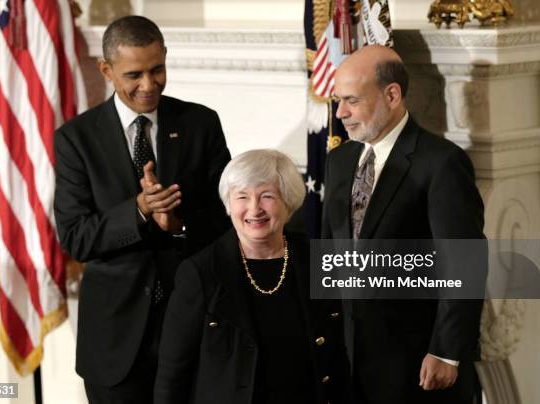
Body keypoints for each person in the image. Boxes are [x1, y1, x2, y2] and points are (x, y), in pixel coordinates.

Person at [53, 15, 231, 403]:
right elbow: (75, 237)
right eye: (134, 74)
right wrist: (138, 211)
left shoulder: (201, 123)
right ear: (106, 70)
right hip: (116, 344)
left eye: (158, 69)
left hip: (193, 330)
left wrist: (179, 224)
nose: (149, 85)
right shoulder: (75, 139)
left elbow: (226, 219)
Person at [322, 45, 485, 404]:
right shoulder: (339, 160)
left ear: (392, 95)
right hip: (347, 362)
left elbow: (465, 263)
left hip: (415, 365)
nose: (340, 113)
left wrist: (446, 351)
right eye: (338, 101)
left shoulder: (441, 163)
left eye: (351, 100)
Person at [154, 149, 351, 404]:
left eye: (267, 196)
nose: (254, 209)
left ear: (287, 200)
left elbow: (337, 356)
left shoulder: (317, 261)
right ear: (229, 204)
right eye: (242, 197)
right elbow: (173, 374)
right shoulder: (200, 272)